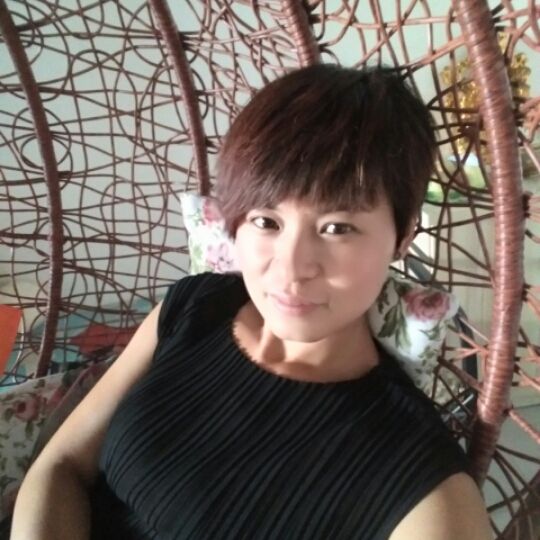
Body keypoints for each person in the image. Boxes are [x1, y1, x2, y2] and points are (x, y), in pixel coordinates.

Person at [11, 64, 492, 539]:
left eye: (337, 228)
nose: (291, 266)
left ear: (403, 235)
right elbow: (61, 465)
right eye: (266, 221)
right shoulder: (194, 307)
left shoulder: (424, 481)